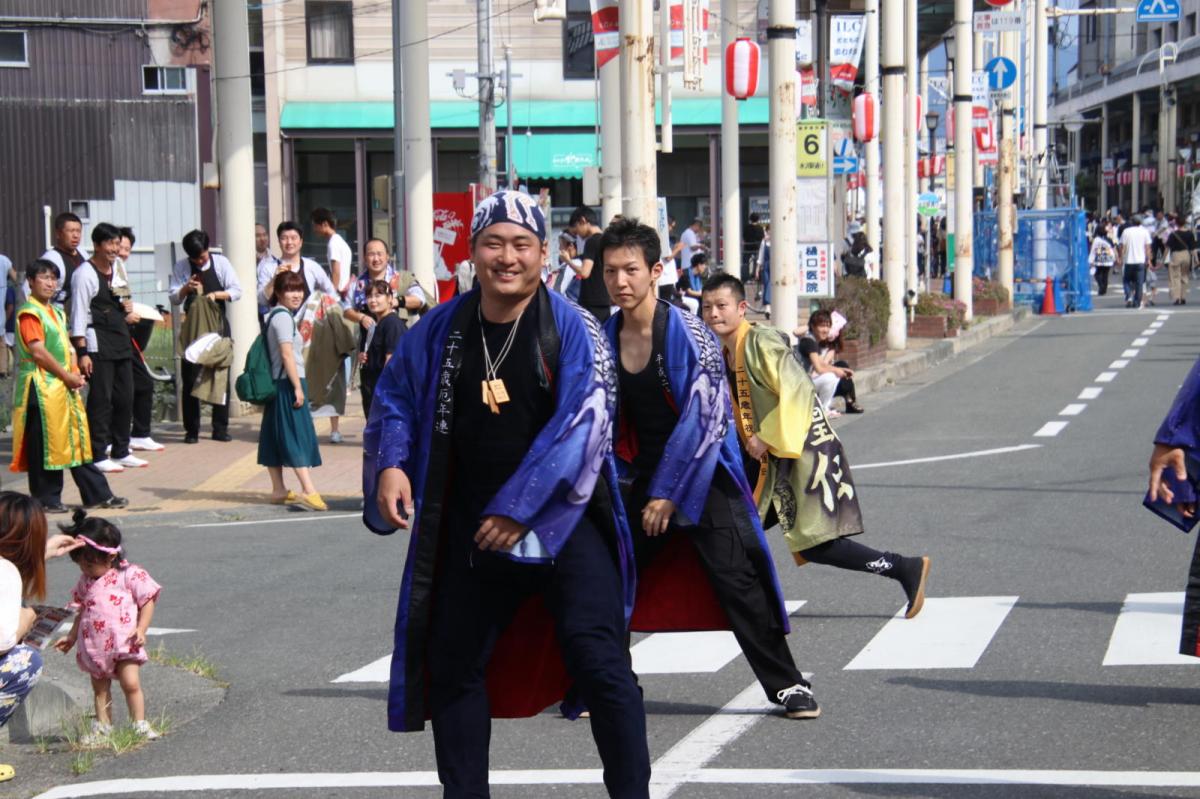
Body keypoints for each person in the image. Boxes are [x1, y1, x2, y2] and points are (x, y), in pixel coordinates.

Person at [364, 190, 649, 798]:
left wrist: (522, 509)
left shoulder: (573, 329)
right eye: (494, 243)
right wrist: (392, 463)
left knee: (602, 664)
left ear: (544, 253)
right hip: (473, 528)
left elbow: (587, 422)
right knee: (453, 665)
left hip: (566, 523)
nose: (507, 257)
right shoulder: (441, 327)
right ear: (473, 252)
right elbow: (394, 395)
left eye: (522, 244)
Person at [599, 217, 820, 721]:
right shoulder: (604, 334)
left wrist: (669, 494)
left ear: (655, 270)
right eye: (611, 271)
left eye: (631, 269)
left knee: (737, 580)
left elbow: (705, 417)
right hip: (640, 474)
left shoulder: (687, 332)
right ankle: (605, 681)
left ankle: (786, 685)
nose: (620, 282)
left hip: (701, 471)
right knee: (608, 576)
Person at [702, 274, 930, 617]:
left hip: (802, 451)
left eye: (721, 306)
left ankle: (903, 568)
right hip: (771, 456)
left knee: (810, 542)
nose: (714, 314)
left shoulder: (760, 342)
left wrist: (765, 436)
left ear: (742, 307)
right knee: (738, 525)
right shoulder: (727, 348)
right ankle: (744, 603)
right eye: (707, 307)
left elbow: (798, 391)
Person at [9, 260, 126, 512]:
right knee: (45, 445)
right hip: (39, 388)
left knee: (77, 440)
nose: (50, 283)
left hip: (62, 386)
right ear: (31, 281)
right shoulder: (30, 312)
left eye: (54, 278)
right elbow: (38, 352)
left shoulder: (57, 312)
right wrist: (66, 375)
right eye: (44, 278)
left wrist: (74, 372)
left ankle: (97, 493)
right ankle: (46, 499)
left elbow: (68, 346)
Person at [0, 493, 87, 782]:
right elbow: (2, 641)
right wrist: (25, 620)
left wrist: (41, 553)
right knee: (25, 661)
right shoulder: (5, 571)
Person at [54, 511, 161, 744]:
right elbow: (81, 609)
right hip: (95, 644)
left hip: (125, 641)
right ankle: (104, 726)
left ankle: (139, 723)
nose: (85, 569)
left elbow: (147, 600)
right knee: (100, 689)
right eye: (80, 563)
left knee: (130, 683)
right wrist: (71, 637)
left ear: (110, 557)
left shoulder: (129, 575)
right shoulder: (85, 582)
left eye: (90, 564)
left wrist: (141, 629)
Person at [256, 221, 343, 443]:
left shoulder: (311, 267)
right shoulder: (268, 266)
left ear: (301, 241)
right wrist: (275, 277)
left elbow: (330, 292)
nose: (289, 242)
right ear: (279, 241)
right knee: (281, 375)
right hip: (280, 329)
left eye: (294, 238)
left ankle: (311, 426)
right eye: (284, 238)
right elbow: (261, 300)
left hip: (307, 334)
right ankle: (282, 425)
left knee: (308, 377)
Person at [70, 224, 142, 473]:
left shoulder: (118, 267)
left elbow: (123, 298)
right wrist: (82, 353)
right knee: (102, 399)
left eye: (117, 244)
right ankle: (97, 453)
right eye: (110, 244)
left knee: (125, 396)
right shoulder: (84, 274)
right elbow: (78, 315)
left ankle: (122, 449)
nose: (115, 250)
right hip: (97, 342)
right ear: (98, 245)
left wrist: (128, 309)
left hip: (120, 337)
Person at [260, 270, 326, 511]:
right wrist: (297, 387)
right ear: (278, 292)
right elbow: (287, 353)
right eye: (290, 289)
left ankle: (278, 489)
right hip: (288, 382)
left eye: (299, 289)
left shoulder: (275, 316)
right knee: (296, 435)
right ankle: (308, 490)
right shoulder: (283, 318)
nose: (296, 294)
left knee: (274, 436)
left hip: (279, 382)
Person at [169, 229, 243, 443]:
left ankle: (220, 428)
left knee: (220, 375)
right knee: (190, 377)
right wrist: (185, 289)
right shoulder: (182, 267)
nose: (200, 261)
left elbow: (236, 290)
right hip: (194, 328)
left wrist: (216, 295)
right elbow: (173, 298)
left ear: (208, 249)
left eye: (202, 256)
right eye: (195, 258)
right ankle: (191, 430)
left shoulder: (221, 264)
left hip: (218, 326)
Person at [118, 227, 164, 453]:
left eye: (127, 248)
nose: (123, 252)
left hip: (126, 333)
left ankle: (140, 433)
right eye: (120, 247)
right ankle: (113, 438)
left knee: (142, 383)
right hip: (110, 336)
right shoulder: (102, 271)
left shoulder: (120, 269)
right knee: (117, 390)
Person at [344, 238, 432, 332]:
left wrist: (396, 301)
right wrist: (361, 318)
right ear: (365, 258)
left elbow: (419, 299)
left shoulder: (403, 278)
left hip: (398, 338)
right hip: (369, 341)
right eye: (371, 254)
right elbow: (346, 309)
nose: (376, 259)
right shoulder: (357, 284)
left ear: (387, 256)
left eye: (379, 254)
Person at [796, 310, 862, 416]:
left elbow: (822, 364)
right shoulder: (809, 342)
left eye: (828, 326)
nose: (825, 330)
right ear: (812, 326)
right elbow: (819, 368)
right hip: (799, 385)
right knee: (832, 377)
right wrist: (837, 370)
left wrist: (843, 370)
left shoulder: (814, 342)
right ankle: (822, 409)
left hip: (805, 382)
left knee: (838, 369)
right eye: (822, 326)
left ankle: (825, 407)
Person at [356, 279, 404, 418]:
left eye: (378, 296)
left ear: (390, 299)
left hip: (384, 395)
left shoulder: (392, 323)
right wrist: (364, 357)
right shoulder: (376, 324)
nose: (373, 300)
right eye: (369, 296)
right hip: (373, 391)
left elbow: (391, 361)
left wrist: (383, 392)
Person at [27, 212, 88, 307]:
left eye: (78, 231)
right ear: (58, 233)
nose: (76, 235)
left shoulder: (83, 254)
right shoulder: (51, 258)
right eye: (71, 231)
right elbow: (30, 290)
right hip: (58, 313)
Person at [566, 206, 610, 322]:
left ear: (583, 221)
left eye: (576, 230)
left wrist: (568, 261)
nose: (578, 235)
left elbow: (585, 272)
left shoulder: (591, 241)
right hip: (605, 299)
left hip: (591, 301)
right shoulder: (607, 240)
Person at [310, 207, 354, 302]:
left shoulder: (333, 243)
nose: (314, 230)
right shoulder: (339, 241)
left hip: (340, 293)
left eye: (315, 226)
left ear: (325, 224)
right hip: (345, 291)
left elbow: (336, 272)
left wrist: (332, 295)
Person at [1119, 214, 1154, 308]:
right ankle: (1137, 301)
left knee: (1126, 280)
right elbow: (1147, 247)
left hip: (1128, 260)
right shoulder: (1144, 231)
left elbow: (1122, 246)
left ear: (1132, 222)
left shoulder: (1126, 231)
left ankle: (1129, 296)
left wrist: (1121, 257)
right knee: (1139, 282)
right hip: (1140, 261)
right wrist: (1149, 260)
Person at [1165, 214, 1195, 306]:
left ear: (1176, 223)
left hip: (1176, 255)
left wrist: (1163, 260)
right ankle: (1183, 297)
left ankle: (1177, 297)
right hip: (1186, 255)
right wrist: (1197, 259)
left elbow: (1167, 248)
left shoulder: (1173, 234)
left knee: (1175, 277)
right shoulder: (1190, 233)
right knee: (1184, 276)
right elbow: (1193, 248)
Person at [1089, 222, 1117, 297]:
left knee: (1097, 274)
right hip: (1108, 259)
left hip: (1099, 259)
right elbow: (1113, 249)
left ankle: (1101, 286)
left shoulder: (1096, 240)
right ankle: (1104, 289)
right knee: (1105, 275)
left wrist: (1090, 260)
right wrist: (1115, 258)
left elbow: (1093, 250)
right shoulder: (1109, 239)